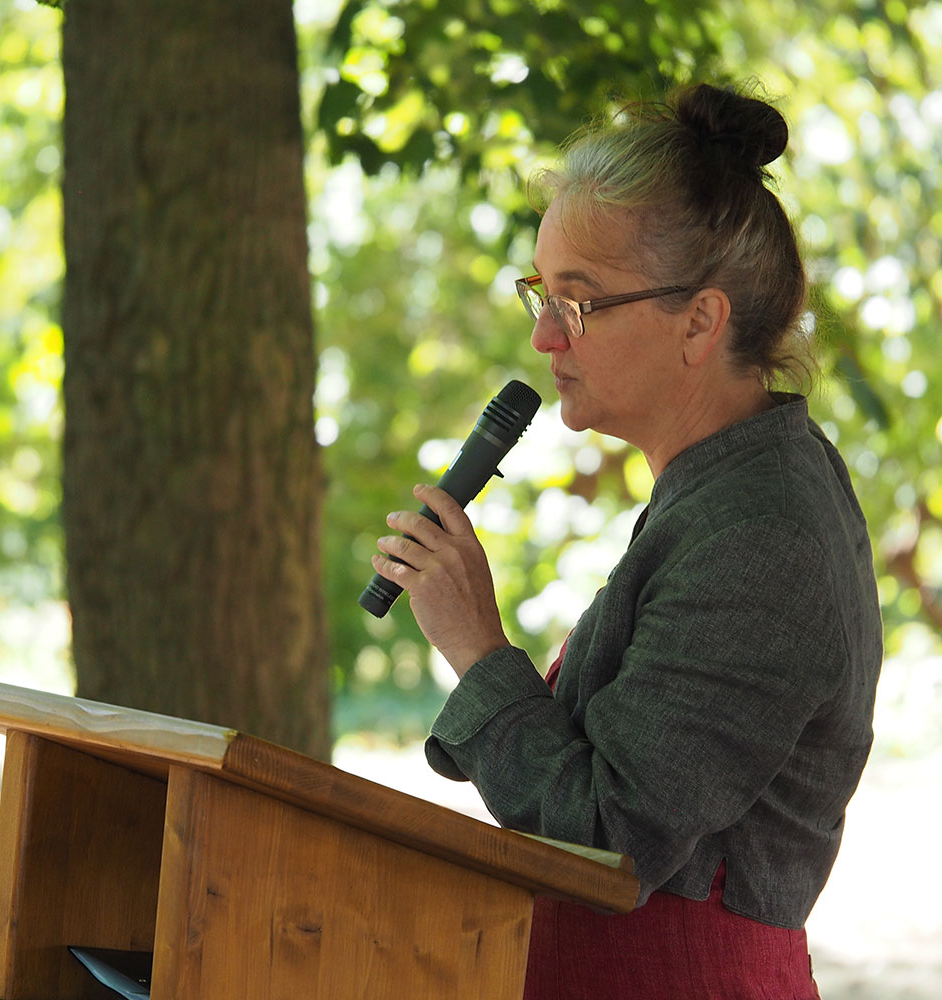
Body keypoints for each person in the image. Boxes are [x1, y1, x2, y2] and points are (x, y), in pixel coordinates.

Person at [370, 82, 882, 999]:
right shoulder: (726, 488)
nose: (541, 336)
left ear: (699, 321)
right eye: (540, 293)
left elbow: (607, 840)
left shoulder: (761, 532)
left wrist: (476, 646)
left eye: (576, 303)